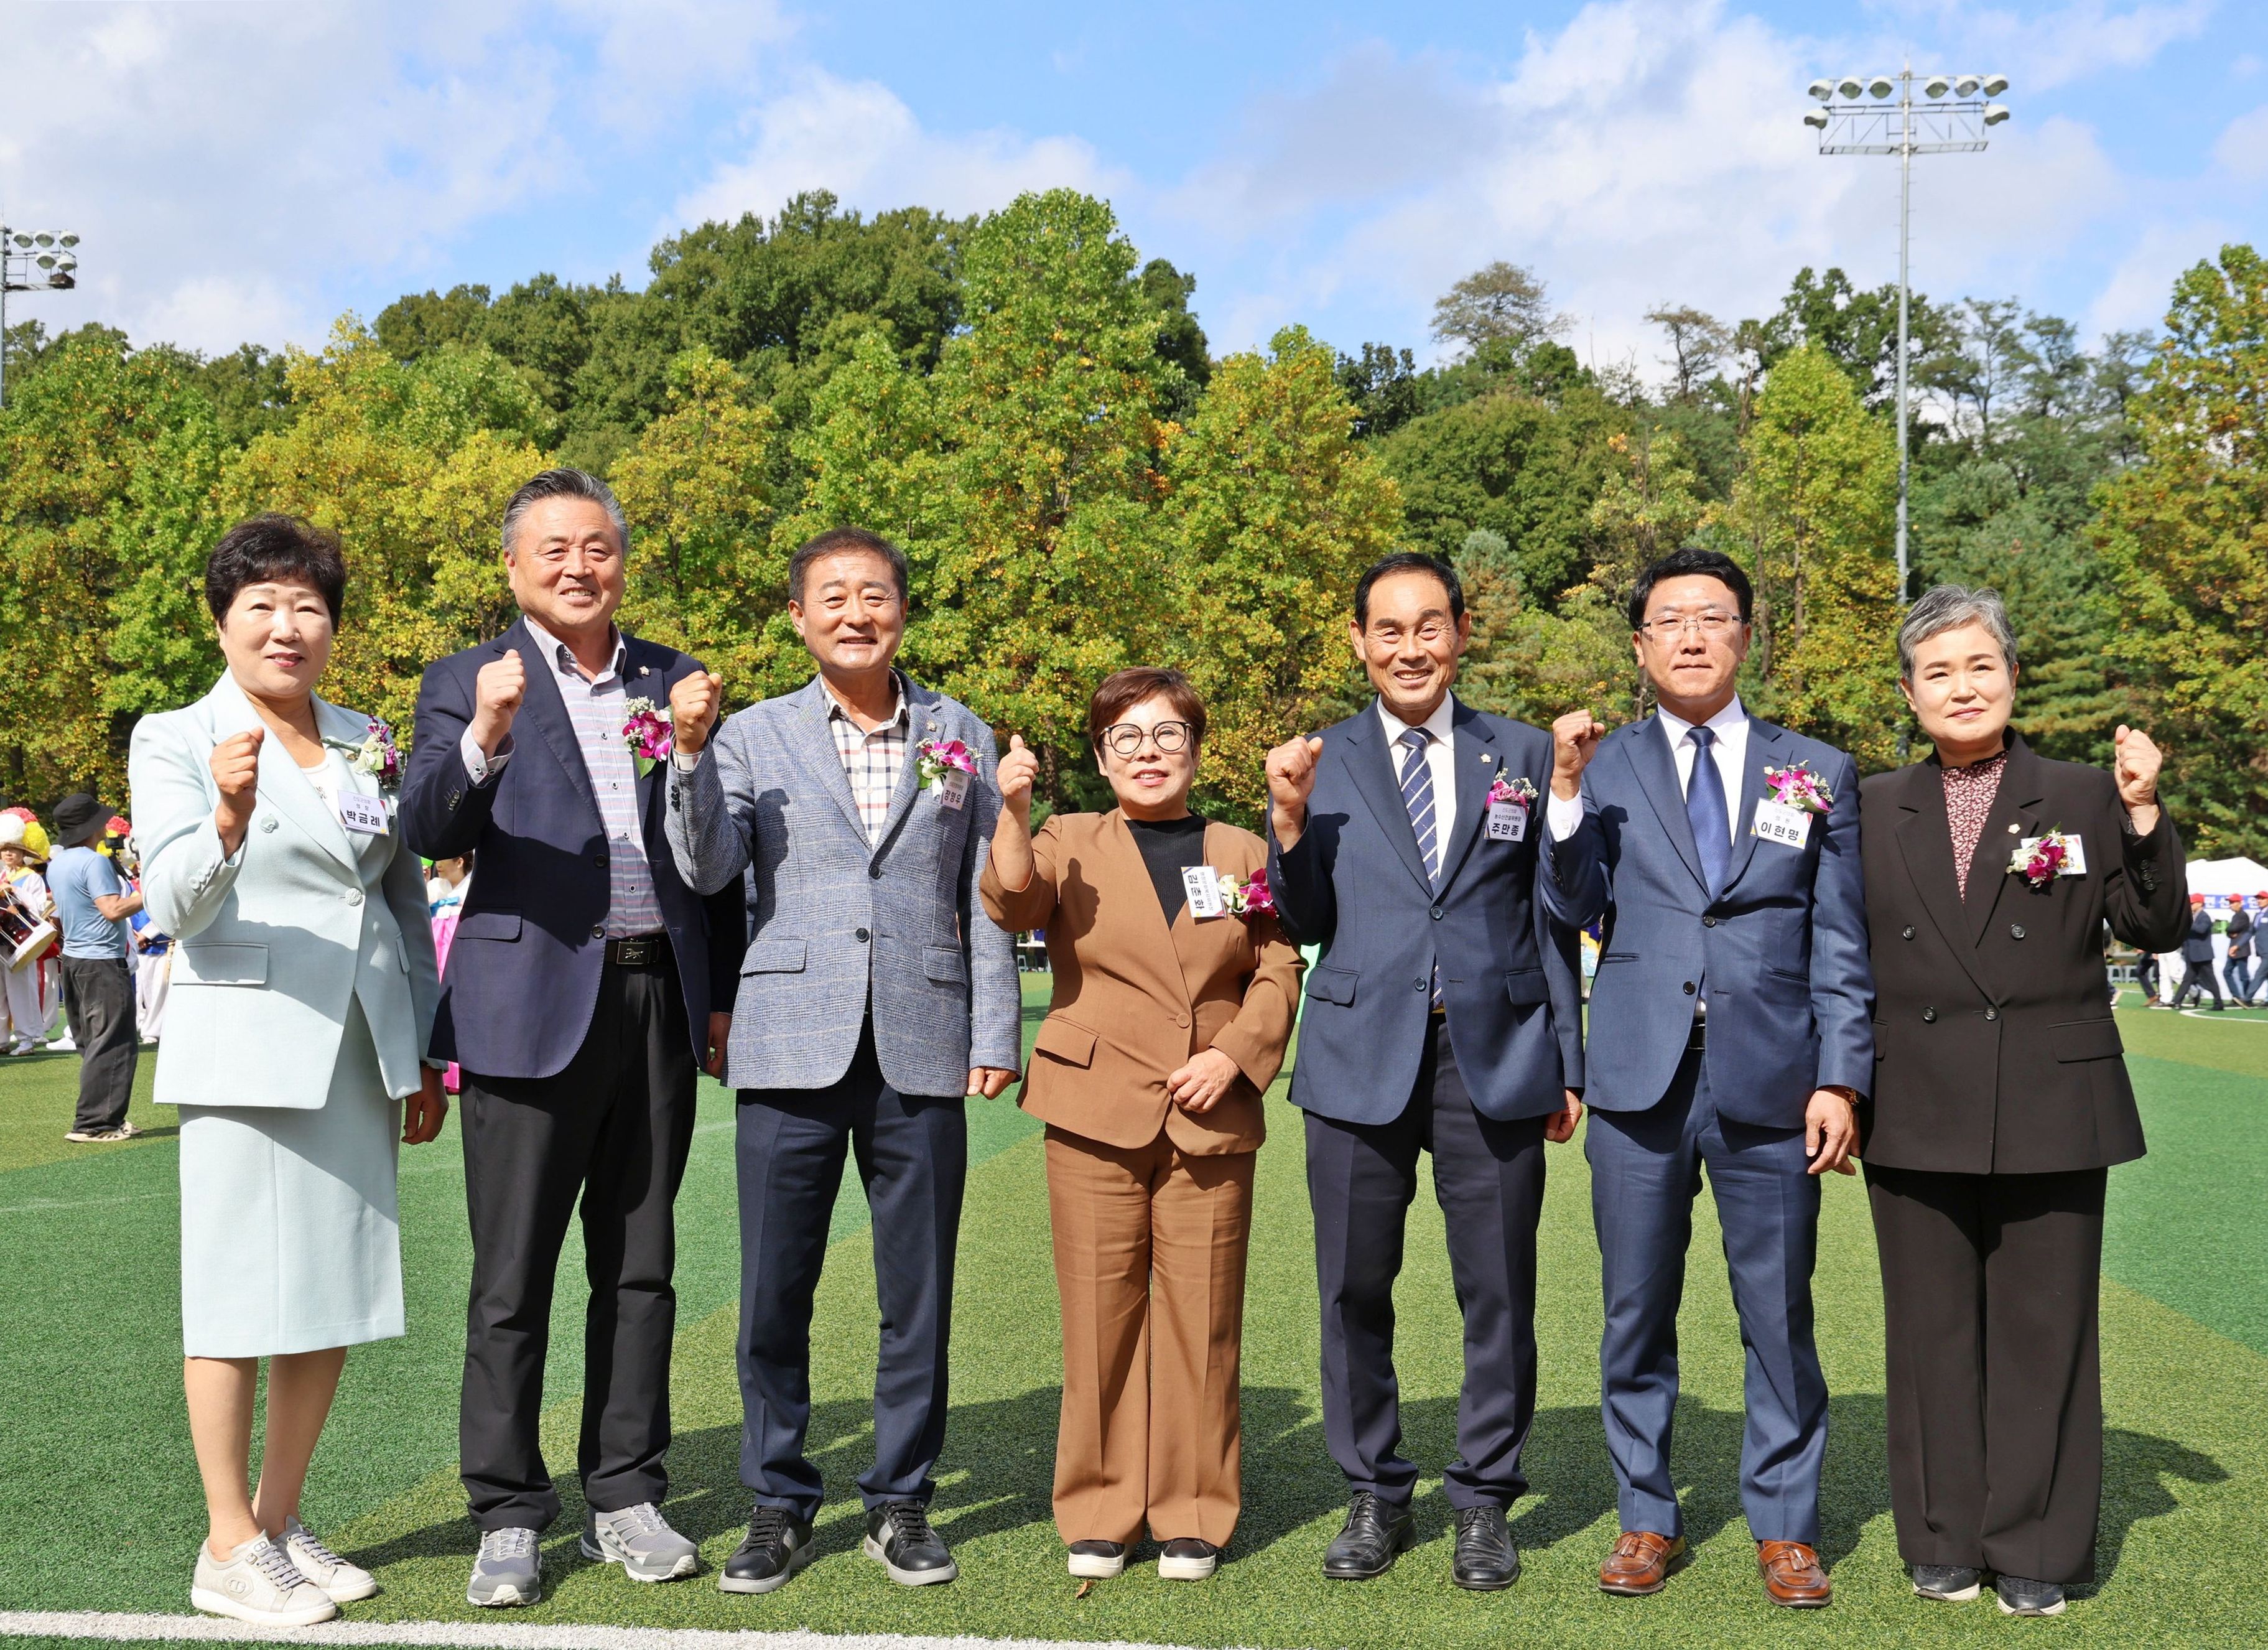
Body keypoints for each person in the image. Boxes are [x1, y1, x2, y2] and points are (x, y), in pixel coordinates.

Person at [401, 468, 745, 1608]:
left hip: (655, 1001)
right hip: (525, 1010)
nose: (577, 566)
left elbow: (715, 857)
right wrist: (488, 731)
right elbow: (429, 828)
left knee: (641, 1268)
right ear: (512, 567)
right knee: (511, 1277)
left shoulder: (674, 678)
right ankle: (507, 1510)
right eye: (553, 549)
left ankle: (625, 1493)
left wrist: (716, 994)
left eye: (597, 547)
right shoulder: (465, 680)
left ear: (622, 562)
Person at [664, 525, 1021, 1595]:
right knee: (774, 1289)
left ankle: (900, 1498)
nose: (855, 613)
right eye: (833, 596)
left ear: (902, 610)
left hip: (923, 1037)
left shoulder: (961, 731)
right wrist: (687, 756)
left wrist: (994, 1030)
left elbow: (986, 891)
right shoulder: (749, 734)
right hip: (790, 1041)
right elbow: (708, 867)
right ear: (798, 617)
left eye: (875, 594)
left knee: (918, 1292)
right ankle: (777, 1499)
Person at [129, 514, 448, 1628]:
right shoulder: (175, 735)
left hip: (359, 1048)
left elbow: (399, 899)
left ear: (331, 627)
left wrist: (418, 1050)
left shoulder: (365, 737)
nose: (286, 625)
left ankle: (278, 1517)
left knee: (330, 1292)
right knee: (232, 1299)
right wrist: (225, 813)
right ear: (221, 623)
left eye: (308, 605)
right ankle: (226, 1544)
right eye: (260, 604)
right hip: (247, 1050)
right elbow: (171, 905)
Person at [1542, 546, 1871, 1610]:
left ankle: (1786, 1526)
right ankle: (1646, 1514)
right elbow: (1570, 904)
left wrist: (1840, 1078)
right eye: (1669, 620)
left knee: (1777, 1312)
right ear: (1640, 646)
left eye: (1712, 617)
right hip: (1636, 1079)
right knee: (1634, 1308)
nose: (1690, 636)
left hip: (1773, 1079)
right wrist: (1561, 796)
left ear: (1745, 635)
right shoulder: (1602, 766)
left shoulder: (1815, 768)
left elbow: (1840, 937)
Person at [1857, 585, 2188, 1618]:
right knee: (1930, 1335)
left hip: (2053, 1095)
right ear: (1908, 693)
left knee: (2046, 1331)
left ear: (2012, 675)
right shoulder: (1869, 805)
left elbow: (2156, 926)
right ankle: (1943, 1535)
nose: (1962, 687)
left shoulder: (2086, 792)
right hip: (1912, 1096)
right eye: (1938, 671)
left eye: (1980, 665)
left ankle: (2038, 1543)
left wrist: (2144, 811)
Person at [1262, 551, 1584, 1592]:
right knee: (1353, 1286)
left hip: (1495, 1055)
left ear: (1460, 633)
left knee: (1498, 1289)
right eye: (1389, 630)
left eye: (1429, 626)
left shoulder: (1522, 752)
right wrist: (1286, 822)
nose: (1410, 648)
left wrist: (1567, 1061)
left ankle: (1483, 1499)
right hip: (1357, 1054)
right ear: (1358, 641)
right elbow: (1303, 918)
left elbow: (1553, 916)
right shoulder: (1320, 759)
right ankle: (1374, 1490)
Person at [982, 669, 1303, 1583]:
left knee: (1205, 1322)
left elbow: (1277, 966)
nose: (1148, 753)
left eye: (1168, 735)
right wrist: (1013, 811)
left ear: (1196, 751)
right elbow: (1013, 903)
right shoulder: (1065, 837)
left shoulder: (1239, 851)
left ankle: (1193, 1512)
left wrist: (1232, 1056)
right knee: (1099, 1319)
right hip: (1093, 1110)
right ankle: (1100, 1508)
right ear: (1099, 756)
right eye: (1125, 737)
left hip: (1209, 1110)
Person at [48, 791, 146, 1142]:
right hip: (102, 961)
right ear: (92, 827)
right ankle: (95, 1123)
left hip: (74, 960)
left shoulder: (57, 863)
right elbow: (112, 909)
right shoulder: (94, 862)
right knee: (113, 1041)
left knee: (92, 1042)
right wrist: (152, 894)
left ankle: (106, 1117)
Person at [0, 823, 54, 1053]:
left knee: (22, 988)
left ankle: (27, 1039)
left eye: (14, 849)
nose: (8, 853)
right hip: (2, 940)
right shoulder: (1, 875)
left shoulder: (31, 878)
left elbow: (38, 907)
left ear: (23, 853)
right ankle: (2, 1039)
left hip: (22, 939)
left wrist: (14, 891)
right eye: (5, 849)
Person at [2173, 895, 2223, 1010]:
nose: (2190, 906)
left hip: (2203, 955)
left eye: (2192, 903)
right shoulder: (2194, 917)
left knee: (2211, 980)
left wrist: (2188, 923)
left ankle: (2219, 1003)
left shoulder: (2204, 916)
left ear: (2200, 904)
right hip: (2193, 955)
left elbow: (2201, 930)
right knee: (2187, 980)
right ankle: (2177, 1002)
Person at [2226, 895, 2255, 1006]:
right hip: (2234, 949)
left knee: (2243, 975)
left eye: (2233, 902)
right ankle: (2237, 997)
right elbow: (2231, 931)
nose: (2231, 905)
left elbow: (2232, 929)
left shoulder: (2243, 915)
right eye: (2230, 903)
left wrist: (2229, 930)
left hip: (2241, 949)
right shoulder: (2236, 916)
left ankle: (2247, 998)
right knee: (2227, 972)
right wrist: (2230, 932)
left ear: (2240, 903)